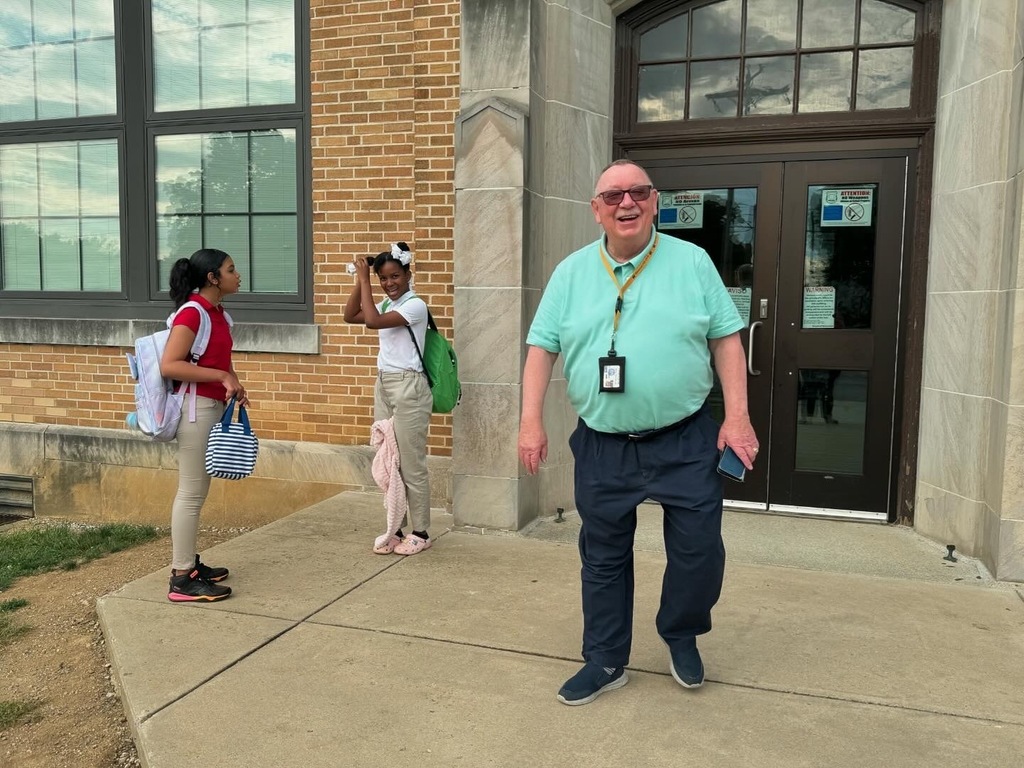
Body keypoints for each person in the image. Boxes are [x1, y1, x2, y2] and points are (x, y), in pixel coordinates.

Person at [518, 159, 759, 706]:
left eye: (638, 192)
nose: (626, 203)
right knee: (602, 557)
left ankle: (681, 632)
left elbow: (726, 341)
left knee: (699, 552)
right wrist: (530, 422)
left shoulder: (692, 262)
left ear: (654, 201)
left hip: (685, 438)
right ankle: (604, 658)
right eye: (613, 196)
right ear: (596, 210)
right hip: (604, 445)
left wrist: (737, 417)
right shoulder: (571, 273)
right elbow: (541, 349)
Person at [161, 248, 248, 602]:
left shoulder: (217, 313)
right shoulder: (193, 314)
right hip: (194, 409)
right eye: (231, 269)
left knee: (198, 491)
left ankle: (189, 565)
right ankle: (182, 578)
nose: (237, 274)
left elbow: (220, 359)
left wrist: (234, 384)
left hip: (211, 405)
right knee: (191, 493)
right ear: (213, 278)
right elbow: (170, 365)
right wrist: (220, 376)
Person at [344, 242, 433, 556]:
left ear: (408, 274)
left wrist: (365, 278)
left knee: (411, 464)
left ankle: (420, 531)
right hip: (384, 384)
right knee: (388, 459)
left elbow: (372, 322)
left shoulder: (415, 306)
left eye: (395, 276)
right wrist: (361, 280)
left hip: (410, 387)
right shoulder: (383, 303)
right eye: (383, 278)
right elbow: (350, 314)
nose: (389, 283)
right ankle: (395, 528)